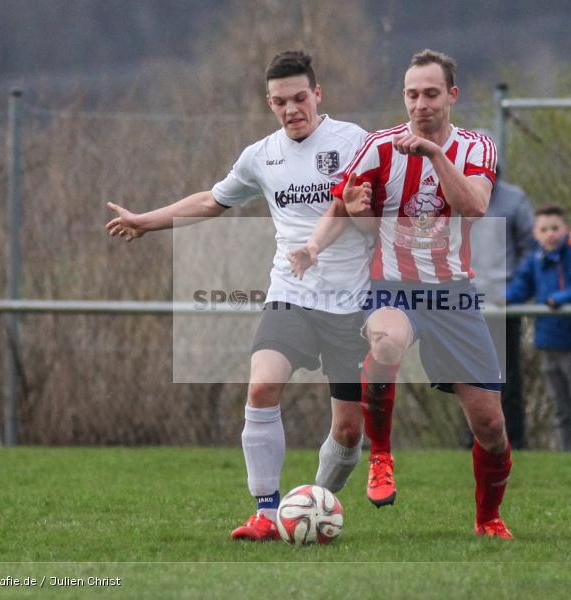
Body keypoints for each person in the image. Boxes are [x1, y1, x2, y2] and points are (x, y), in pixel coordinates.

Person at [106, 51, 373, 541]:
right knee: (261, 386)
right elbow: (212, 200)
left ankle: (310, 506)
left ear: (317, 94)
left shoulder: (355, 143)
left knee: (350, 431)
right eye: (280, 101)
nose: (291, 109)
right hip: (290, 294)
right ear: (269, 103)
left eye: (299, 98)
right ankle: (267, 513)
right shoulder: (261, 156)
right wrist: (146, 221)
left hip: (350, 303)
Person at [290, 49, 513, 538]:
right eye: (412, 94)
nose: (420, 104)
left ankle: (488, 519)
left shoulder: (477, 147)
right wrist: (313, 246)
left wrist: (434, 154)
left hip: (453, 295)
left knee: (492, 428)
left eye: (431, 94)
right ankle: (381, 456)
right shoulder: (379, 146)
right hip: (392, 288)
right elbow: (342, 206)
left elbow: (474, 206)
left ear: (452, 96)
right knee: (386, 342)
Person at [506, 205, 571, 451]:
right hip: (547, 340)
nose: (550, 234)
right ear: (535, 233)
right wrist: (505, 298)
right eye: (544, 229)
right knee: (559, 406)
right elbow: (521, 285)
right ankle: (567, 453)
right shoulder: (536, 258)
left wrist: (560, 299)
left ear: (565, 229)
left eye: (555, 228)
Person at [470, 173, 534, 450]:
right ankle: (474, 440)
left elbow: (530, 250)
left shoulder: (514, 199)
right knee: (469, 379)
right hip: (466, 304)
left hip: (502, 305)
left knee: (506, 377)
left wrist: (513, 293)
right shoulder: (454, 194)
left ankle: (514, 440)